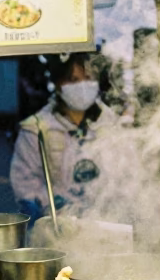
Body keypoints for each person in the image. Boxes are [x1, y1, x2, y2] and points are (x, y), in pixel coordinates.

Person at [10, 53, 117, 222]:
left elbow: (124, 177)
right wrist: (52, 210)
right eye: (73, 80)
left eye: (88, 78)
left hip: (106, 225)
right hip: (57, 229)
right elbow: (25, 186)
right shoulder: (36, 129)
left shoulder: (111, 123)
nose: (82, 86)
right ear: (58, 84)